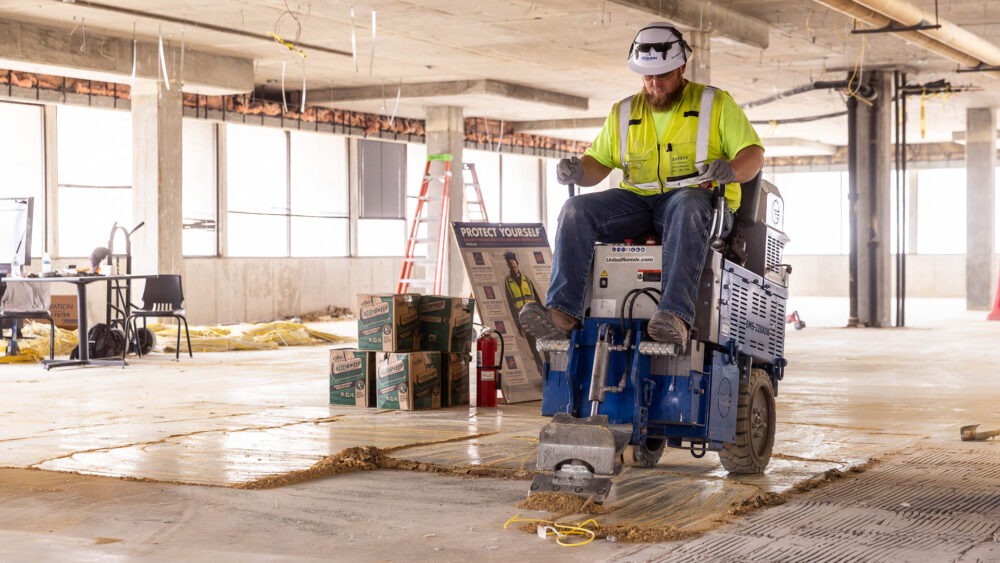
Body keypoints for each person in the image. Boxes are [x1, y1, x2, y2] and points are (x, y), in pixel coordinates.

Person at [519, 22, 764, 348]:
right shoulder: (624, 112)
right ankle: (562, 313)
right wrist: (578, 170)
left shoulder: (715, 104)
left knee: (687, 205)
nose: (654, 84)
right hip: (638, 202)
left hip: (700, 201)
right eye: (647, 78)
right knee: (575, 209)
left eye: (662, 76)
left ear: (682, 68)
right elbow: (597, 164)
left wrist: (731, 170)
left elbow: (754, 155)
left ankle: (674, 316)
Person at [502, 251, 544, 368]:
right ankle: (540, 368)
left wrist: (544, 316)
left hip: (535, 317)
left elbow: (537, 298)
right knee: (532, 346)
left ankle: (549, 366)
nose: (513, 266)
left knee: (544, 344)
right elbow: (511, 305)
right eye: (510, 264)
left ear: (517, 264)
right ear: (508, 266)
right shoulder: (508, 282)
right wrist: (517, 324)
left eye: (514, 263)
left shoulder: (527, 279)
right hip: (523, 320)